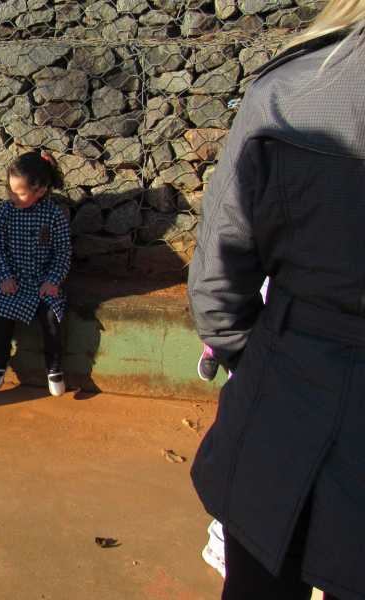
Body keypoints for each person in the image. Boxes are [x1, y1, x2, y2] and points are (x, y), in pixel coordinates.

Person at [188, 1, 365, 596]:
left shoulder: (290, 94)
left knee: (260, 580)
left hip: (286, 383)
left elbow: (217, 281)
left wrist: (261, 355)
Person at [0, 151, 71, 397]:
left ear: (40, 192)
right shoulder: (6, 211)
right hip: (12, 279)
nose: (13, 197)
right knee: (3, 316)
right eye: (10, 191)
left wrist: (53, 280)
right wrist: (4, 276)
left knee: (51, 318)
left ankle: (54, 367)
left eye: (20, 193)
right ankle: (1, 360)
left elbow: (63, 251)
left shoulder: (53, 215)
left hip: (43, 281)